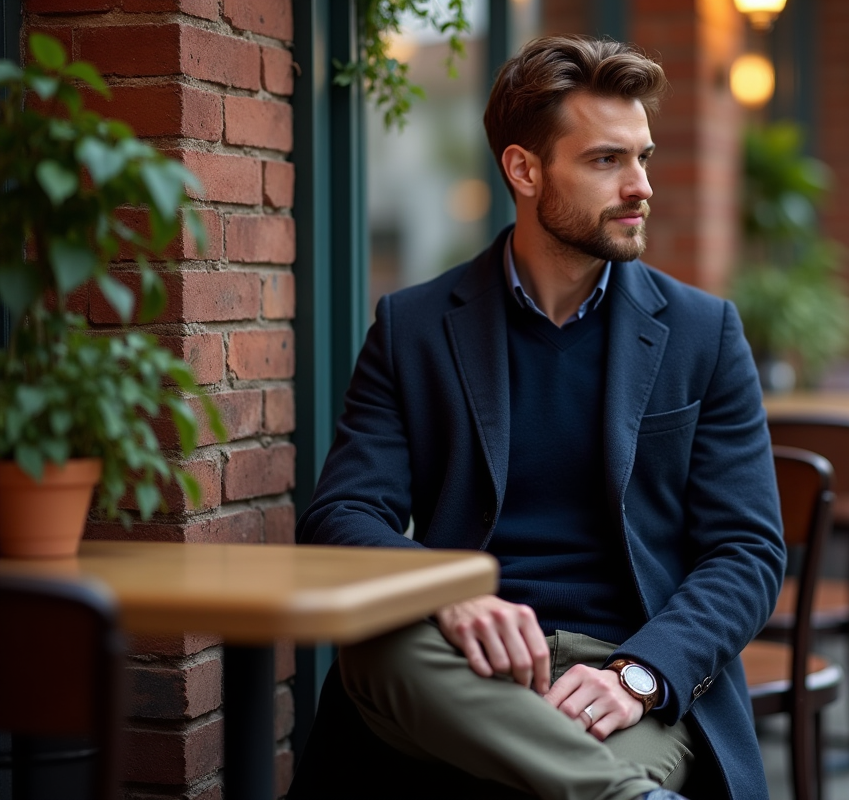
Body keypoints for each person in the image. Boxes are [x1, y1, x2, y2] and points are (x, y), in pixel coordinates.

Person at [297, 35, 785, 800]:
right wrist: (445, 588)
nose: (640, 186)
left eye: (643, 157)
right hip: (459, 666)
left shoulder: (703, 332)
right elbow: (341, 515)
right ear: (524, 170)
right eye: (606, 161)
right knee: (377, 649)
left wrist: (641, 676)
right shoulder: (414, 328)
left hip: (622, 672)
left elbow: (747, 551)